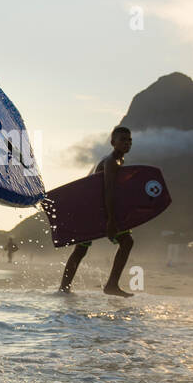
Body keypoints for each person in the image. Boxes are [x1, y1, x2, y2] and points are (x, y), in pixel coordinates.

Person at [58, 126, 135, 296]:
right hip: (95, 212)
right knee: (124, 242)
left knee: (83, 249)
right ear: (113, 142)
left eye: (129, 140)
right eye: (123, 139)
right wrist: (111, 220)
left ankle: (65, 288)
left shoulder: (118, 161)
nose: (127, 143)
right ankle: (110, 285)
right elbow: (108, 191)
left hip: (95, 210)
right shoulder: (111, 162)